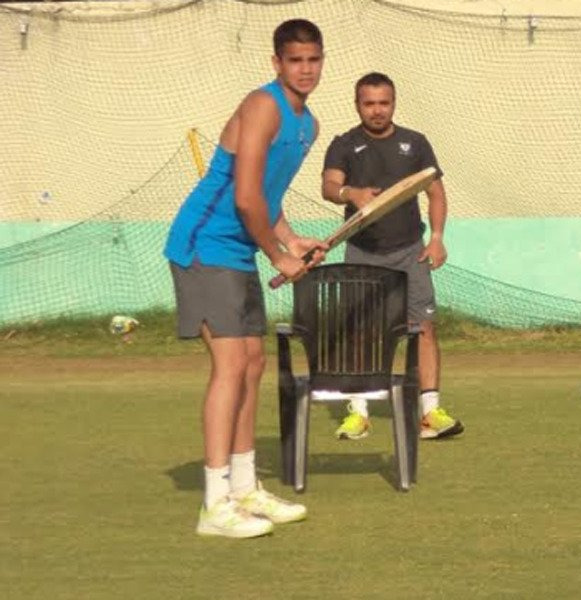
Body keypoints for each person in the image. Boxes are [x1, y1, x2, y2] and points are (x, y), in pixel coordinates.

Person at [163, 19, 327, 539]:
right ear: (276, 63)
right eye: (295, 60)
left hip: (237, 250)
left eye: (314, 59)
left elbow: (267, 198)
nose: (305, 69)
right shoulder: (262, 106)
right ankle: (215, 505)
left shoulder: (309, 124)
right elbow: (243, 197)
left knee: (253, 364)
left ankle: (245, 486)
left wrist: (292, 238)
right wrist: (279, 256)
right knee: (231, 365)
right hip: (203, 245)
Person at [321, 72, 464, 442]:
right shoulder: (343, 144)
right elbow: (329, 186)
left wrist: (436, 239)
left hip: (410, 253)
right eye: (369, 103)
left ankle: (430, 413)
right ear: (357, 105)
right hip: (362, 251)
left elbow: (435, 194)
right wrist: (350, 193)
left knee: (424, 329)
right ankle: (359, 414)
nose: (377, 110)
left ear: (394, 103)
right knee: (361, 333)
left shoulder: (415, 144)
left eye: (383, 103)